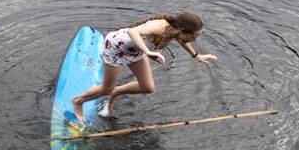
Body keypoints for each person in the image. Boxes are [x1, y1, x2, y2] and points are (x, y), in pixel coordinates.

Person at [71, 12, 217, 122]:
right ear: (183, 30)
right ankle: (78, 101)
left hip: (135, 51)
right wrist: (148, 52)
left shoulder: (176, 31)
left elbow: (183, 41)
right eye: (193, 37)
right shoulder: (160, 27)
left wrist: (196, 56)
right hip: (116, 48)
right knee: (105, 89)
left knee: (148, 87)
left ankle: (115, 92)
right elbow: (132, 31)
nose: (194, 40)